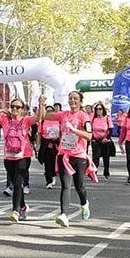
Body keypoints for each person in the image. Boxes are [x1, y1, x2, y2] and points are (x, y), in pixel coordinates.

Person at [0, 98, 41, 223]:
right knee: (16, 184)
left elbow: (38, 117)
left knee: (17, 183)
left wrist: (41, 104)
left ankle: (15, 211)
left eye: (18, 107)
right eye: (13, 106)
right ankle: (23, 206)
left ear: (23, 109)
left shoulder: (26, 120)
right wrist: (2, 110)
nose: (15, 109)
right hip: (9, 156)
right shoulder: (4, 119)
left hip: (23, 156)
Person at [45, 93, 94, 228]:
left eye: (75, 98)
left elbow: (89, 135)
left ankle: (84, 203)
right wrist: (42, 104)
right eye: (70, 98)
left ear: (80, 101)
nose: (72, 100)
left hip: (78, 155)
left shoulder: (84, 116)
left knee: (79, 186)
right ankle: (64, 215)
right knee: (65, 186)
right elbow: (45, 116)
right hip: (63, 154)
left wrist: (73, 129)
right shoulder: (63, 114)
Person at [36, 107, 61, 189]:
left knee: (55, 163)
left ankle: (53, 175)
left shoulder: (58, 121)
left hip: (56, 146)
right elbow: (39, 134)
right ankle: (48, 181)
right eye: (48, 111)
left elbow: (62, 132)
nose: (49, 112)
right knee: (47, 164)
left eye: (51, 111)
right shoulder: (43, 121)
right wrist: (38, 145)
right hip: (46, 145)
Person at [90, 103, 114, 180]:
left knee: (106, 157)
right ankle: (94, 172)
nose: (98, 111)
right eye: (97, 109)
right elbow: (89, 129)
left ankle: (106, 172)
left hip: (105, 140)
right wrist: (92, 137)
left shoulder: (107, 118)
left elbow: (110, 129)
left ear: (103, 110)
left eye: (100, 109)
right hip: (95, 140)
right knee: (95, 157)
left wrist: (107, 138)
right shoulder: (93, 119)